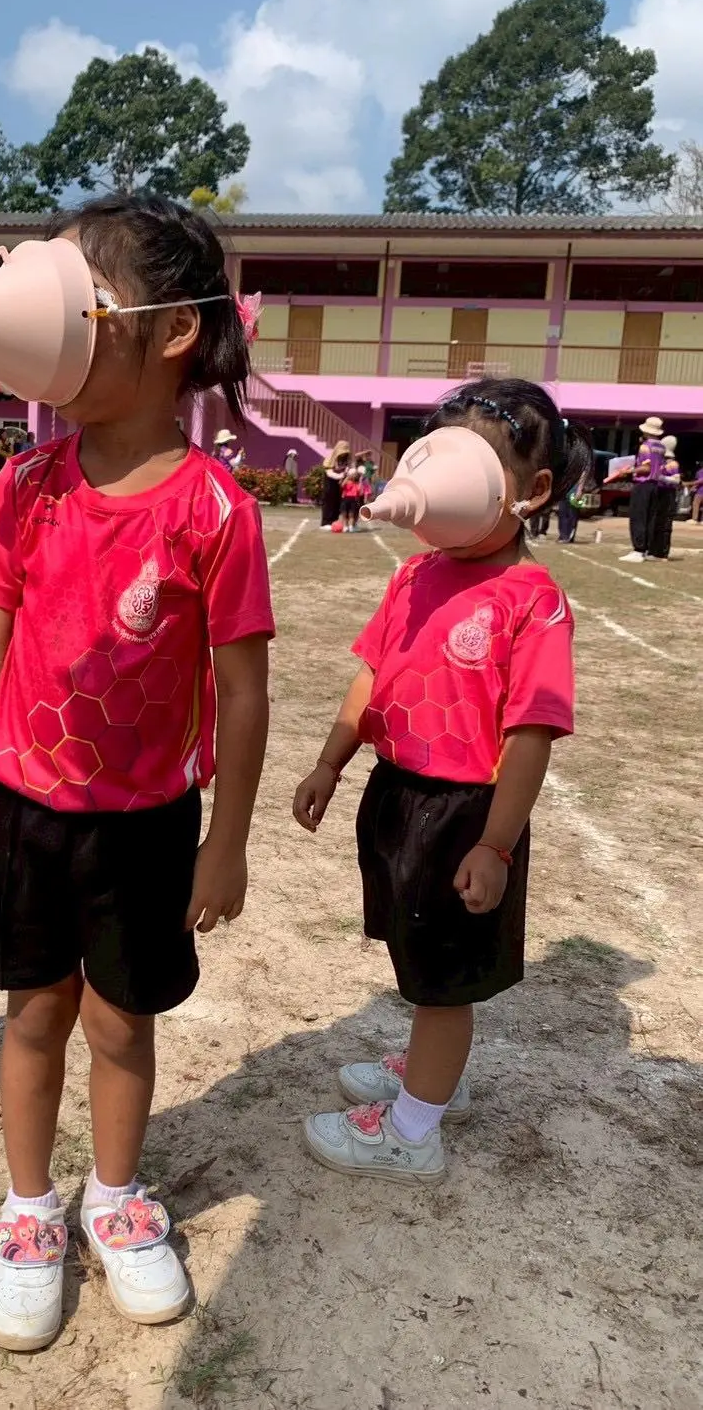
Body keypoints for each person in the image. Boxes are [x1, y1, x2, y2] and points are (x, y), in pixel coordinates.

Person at [0, 194, 274, 1350]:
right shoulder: (24, 485)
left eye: (85, 296)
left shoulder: (215, 510)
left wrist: (226, 840)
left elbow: (241, 689)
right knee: (34, 1011)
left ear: (171, 330)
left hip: (147, 823)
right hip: (21, 810)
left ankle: (116, 1197)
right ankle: (30, 1210)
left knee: (124, 1022)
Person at [293, 378, 592, 1184]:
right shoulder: (415, 575)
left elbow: (531, 734)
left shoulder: (534, 600)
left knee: (445, 983)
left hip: (465, 812)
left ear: (531, 490)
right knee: (417, 951)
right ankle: (429, 1071)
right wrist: (330, 760)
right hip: (397, 793)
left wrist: (496, 843)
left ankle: (412, 1129)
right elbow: (371, 674)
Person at [617, 416, 666, 563]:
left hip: (643, 484)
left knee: (638, 517)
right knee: (650, 518)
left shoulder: (645, 446)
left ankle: (638, 550)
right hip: (655, 485)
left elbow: (645, 468)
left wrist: (629, 471)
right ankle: (646, 549)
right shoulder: (661, 447)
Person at [651, 434, 681, 561]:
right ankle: (653, 550)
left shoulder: (673, 464)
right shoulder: (660, 463)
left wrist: (662, 478)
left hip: (668, 494)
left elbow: (676, 480)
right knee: (656, 522)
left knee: (665, 524)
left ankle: (662, 552)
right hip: (659, 493)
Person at [320, 443, 350, 530]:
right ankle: (326, 523)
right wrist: (342, 475)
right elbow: (329, 473)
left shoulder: (346, 460)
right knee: (329, 503)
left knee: (337, 503)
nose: (344, 454)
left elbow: (348, 470)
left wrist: (347, 473)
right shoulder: (330, 460)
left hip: (339, 486)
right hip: (330, 485)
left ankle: (334, 522)